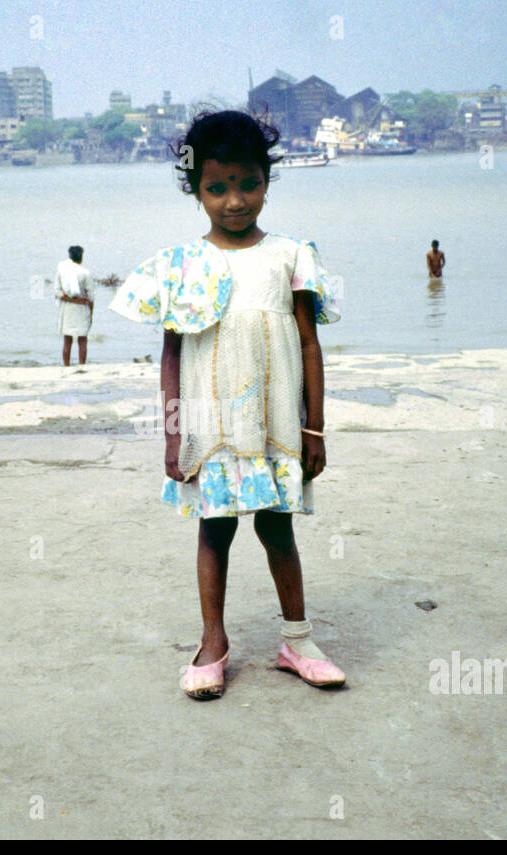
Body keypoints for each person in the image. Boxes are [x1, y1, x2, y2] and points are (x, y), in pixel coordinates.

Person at [108, 109, 346, 699]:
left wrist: (314, 430)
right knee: (214, 532)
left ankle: (299, 640)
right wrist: (172, 433)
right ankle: (213, 643)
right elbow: (171, 356)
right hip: (209, 429)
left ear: (267, 182)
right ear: (195, 190)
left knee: (278, 529)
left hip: (274, 428)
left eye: (248, 185)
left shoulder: (291, 256)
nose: (234, 201)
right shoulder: (178, 267)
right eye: (217, 188)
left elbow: (310, 346)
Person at [54, 245, 94, 366]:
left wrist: (71, 300)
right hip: (82, 309)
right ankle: (82, 365)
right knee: (82, 341)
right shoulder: (85, 273)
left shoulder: (62, 272)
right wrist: (91, 313)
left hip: (67, 310)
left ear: (69, 257)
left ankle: (66, 366)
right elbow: (91, 296)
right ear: (81, 257)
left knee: (67, 341)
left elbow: (57, 292)